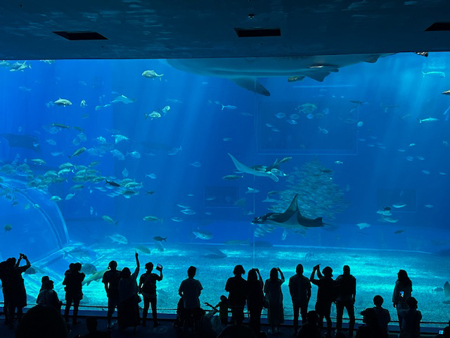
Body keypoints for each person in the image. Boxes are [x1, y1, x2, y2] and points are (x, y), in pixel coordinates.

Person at [310, 265, 335, 337]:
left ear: (324, 273)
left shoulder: (322, 281)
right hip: (328, 302)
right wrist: (318, 269)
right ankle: (329, 332)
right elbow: (320, 276)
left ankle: (319, 332)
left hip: (320, 301)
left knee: (320, 317)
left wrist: (314, 270)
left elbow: (311, 279)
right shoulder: (331, 281)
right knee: (327, 317)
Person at [117, 252, 140, 331]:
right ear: (130, 273)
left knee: (124, 313)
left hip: (123, 300)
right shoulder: (133, 278)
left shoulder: (121, 281)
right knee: (133, 313)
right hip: (132, 299)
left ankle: (123, 326)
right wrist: (136, 258)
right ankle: (134, 327)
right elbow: (138, 267)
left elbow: (119, 290)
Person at [8, 253, 31, 324]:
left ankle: (10, 322)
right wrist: (26, 258)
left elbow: (14, 267)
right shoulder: (17, 270)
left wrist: (19, 260)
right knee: (19, 306)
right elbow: (28, 265)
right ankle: (20, 321)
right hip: (19, 290)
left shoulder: (7, 270)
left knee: (11, 307)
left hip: (10, 291)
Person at [179, 266, 203, 332]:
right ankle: (196, 333)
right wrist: (196, 296)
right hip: (195, 303)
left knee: (186, 320)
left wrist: (184, 297)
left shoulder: (184, 282)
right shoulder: (197, 282)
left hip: (187, 304)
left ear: (187, 272)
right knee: (196, 320)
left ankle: (185, 333)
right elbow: (200, 291)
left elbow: (180, 292)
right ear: (194, 273)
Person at [139, 261, 163, 327]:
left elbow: (140, 285)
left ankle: (143, 322)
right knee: (154, 308)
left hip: (145, 294)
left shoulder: (142, 276)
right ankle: (155, 322)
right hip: (152, 295)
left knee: (145, 308)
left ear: (146, 268)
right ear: (152, 268)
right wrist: (161, 271)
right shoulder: (154, 275)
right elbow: (160, 278)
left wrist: (140, 291)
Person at [289, 263, 312, 335]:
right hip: (304, 300)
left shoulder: (292, 279)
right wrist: (308, 300)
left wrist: (292, 296)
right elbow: (309, 291)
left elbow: (290, 289)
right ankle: (304, 332)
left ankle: (295, 331)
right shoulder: (306, 279)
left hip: (295, 300)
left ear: (296, 270)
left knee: (296, 316)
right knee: (304, 316)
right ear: (303, 271)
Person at [335, 265, 356, 337]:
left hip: (341, 299)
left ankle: (339, 331)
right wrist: (353, 298)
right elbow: (354, 289)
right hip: (348, 299)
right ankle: (350, 331)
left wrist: (335, 297)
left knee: (339, 316)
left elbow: (336, 289)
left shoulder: (339, 278)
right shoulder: (352, 278)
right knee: (351, 317)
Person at [264, 267, 285, 335]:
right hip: (278, 301)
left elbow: (265, 291)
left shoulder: (267, 281)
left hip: (271, 301)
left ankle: (272, 329)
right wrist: (280, 271)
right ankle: (278, 329)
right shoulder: (278, 281)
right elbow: (283, 279)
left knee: (272, 315)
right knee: (278, 314)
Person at [102, 260, 121, 329]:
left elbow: (106, 285)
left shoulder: (106, 273)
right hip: (119, 293)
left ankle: (109, 323)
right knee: (120, 309)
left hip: (111, 292)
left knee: (110, 309)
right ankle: (120, 323)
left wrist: (107, 292)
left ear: (109, 266)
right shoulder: (120, 273)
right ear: (116, 266)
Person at [247, 268, 264, 336]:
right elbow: (262, 283)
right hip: (258, 303)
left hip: (251, 303)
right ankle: (257, 331)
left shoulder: (247, 283)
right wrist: (258, 273)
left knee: (252, 317)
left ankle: (251, 331)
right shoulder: (257, 283)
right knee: (258, 318)